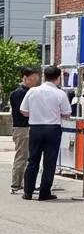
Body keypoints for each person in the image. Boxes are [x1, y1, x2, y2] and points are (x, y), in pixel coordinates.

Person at [18, 65, 68, 200]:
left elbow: (23, 111)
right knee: (49, 162)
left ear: (44, 76)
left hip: (36, 128)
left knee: (33, 159)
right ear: (58, 78)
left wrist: (36, 114)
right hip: (52, 128)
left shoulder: (32, 91)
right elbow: (67, 112)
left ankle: (28, 191)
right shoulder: (60, 93)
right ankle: (44, 192)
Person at [9, 66, 38, 194]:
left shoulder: (31, 92)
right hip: (22, 128)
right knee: (22, 156)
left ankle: (26, 183)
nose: (35, 82)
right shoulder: (19, 93)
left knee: (30, 157)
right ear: (25, 78)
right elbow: (22, 111)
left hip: (29, 127)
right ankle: (16, 183)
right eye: (33, 79)